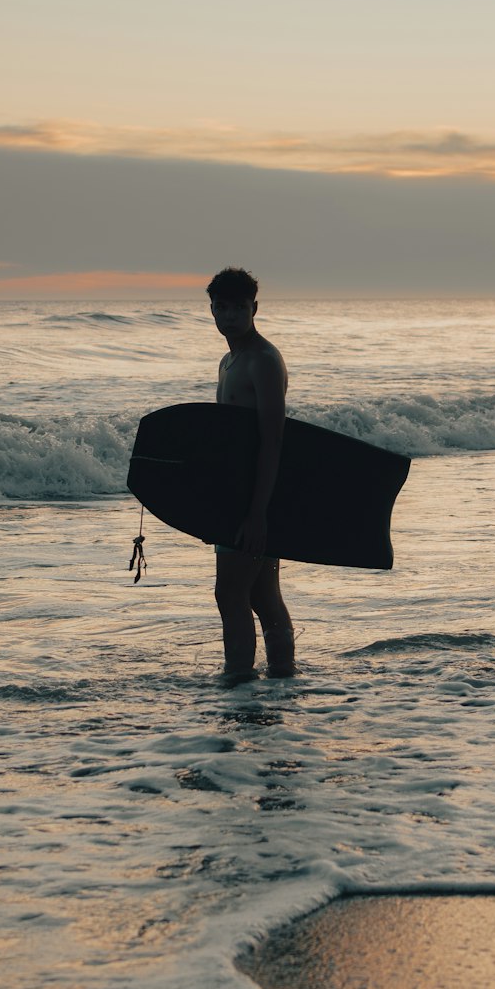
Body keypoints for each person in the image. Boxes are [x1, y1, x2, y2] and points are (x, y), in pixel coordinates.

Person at [207, 266, 295, 680]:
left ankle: (238, 678)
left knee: (229, 593)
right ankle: (282, 674)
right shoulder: (228, 361)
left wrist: (259, 511)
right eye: (221, 308)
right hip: (238, 493)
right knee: (261, 594)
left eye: (238, 308)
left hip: (256, 495)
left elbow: (272, 440)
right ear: (212, 310)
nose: (229, 316)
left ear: (254, 308)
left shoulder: (262, 361)